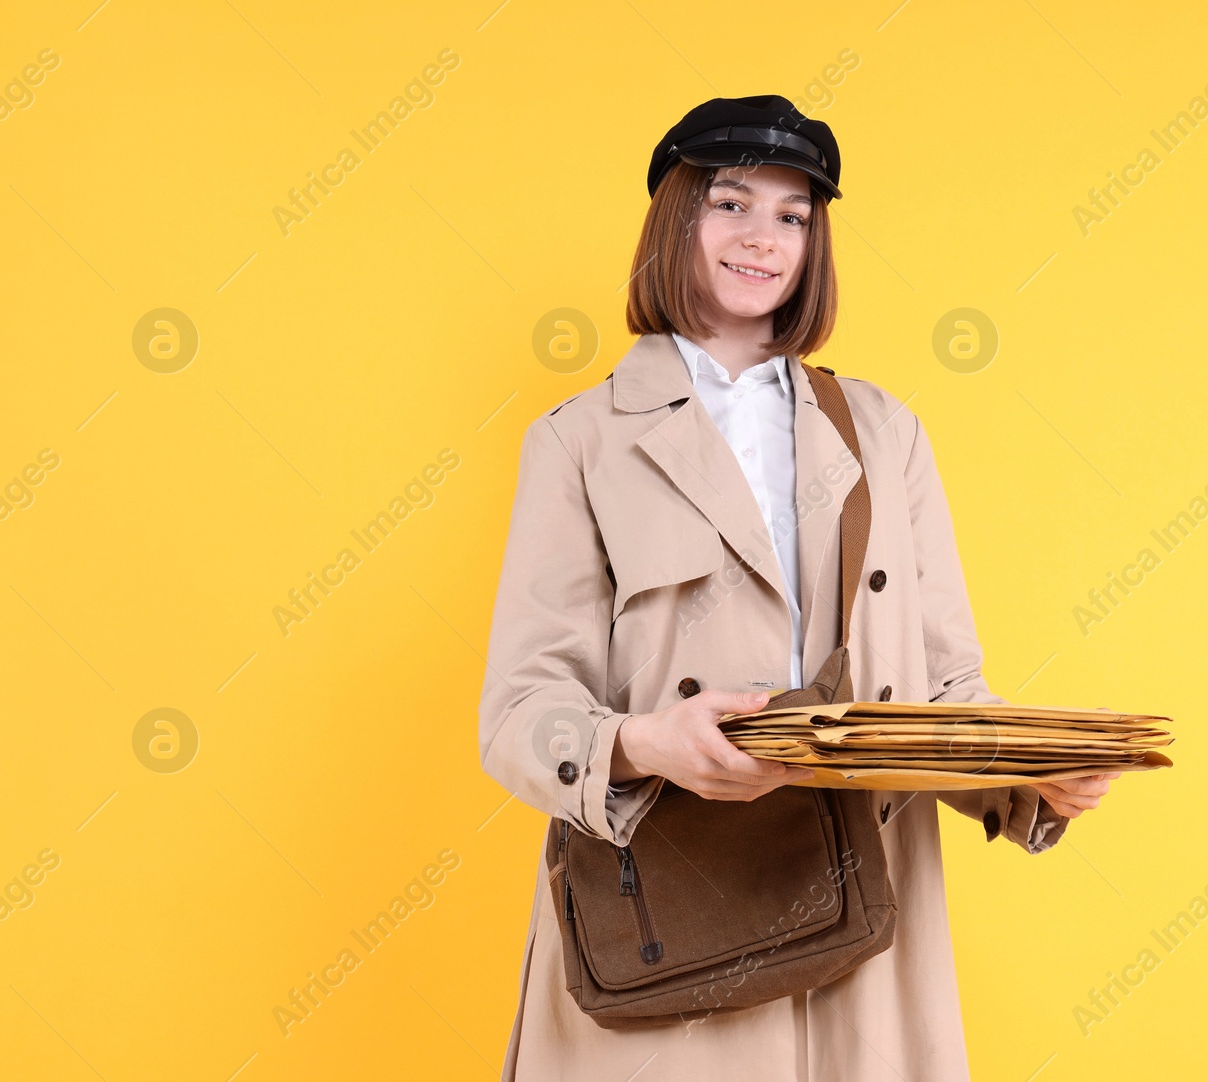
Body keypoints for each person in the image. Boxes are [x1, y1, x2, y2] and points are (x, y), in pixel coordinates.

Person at [479, 94, 1119, 1081]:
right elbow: (521, 715)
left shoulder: (882, 430)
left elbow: (944, 690)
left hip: (862, 932)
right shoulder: (578, 439)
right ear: (674, 220)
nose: (761, 238)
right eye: (730, 203)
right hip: (671, 920)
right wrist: (647, 742)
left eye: (792, 214)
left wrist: (1034, 777)